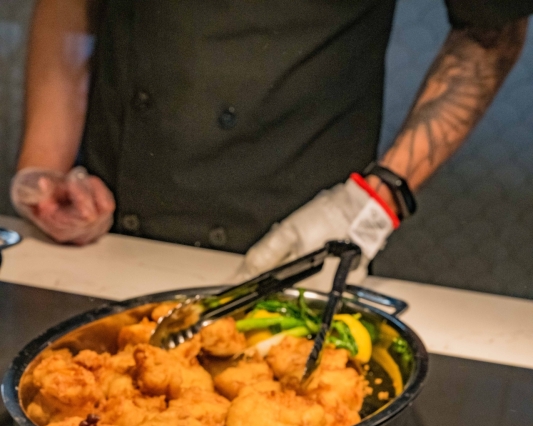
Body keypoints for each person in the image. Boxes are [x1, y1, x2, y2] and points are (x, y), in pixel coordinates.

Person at [11, 0, 533, 276]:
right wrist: (45, 168)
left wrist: (372, 205)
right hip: (101, 238)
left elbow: (491, 31)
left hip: (296, 246)